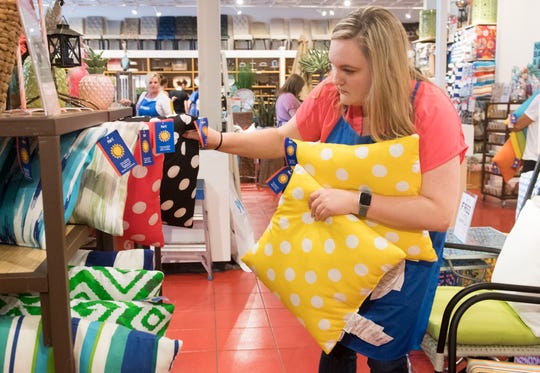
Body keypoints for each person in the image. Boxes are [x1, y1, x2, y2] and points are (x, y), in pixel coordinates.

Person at [185, 7, 466, 372]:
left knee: (386, 360)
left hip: (402, 263)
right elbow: (282, 141)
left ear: (385, 70)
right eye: (333, 67)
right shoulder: (330, 96)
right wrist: (218, 140)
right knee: (334, 344)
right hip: (341, 251)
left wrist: (354, 202)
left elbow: (439, 212)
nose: (335, 79)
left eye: (348, 70)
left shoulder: (429, 110)